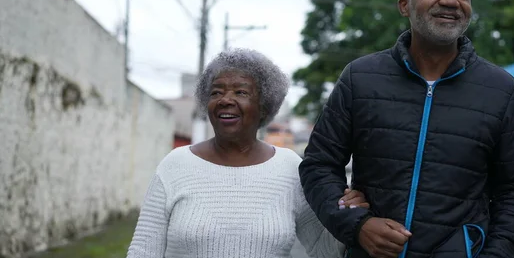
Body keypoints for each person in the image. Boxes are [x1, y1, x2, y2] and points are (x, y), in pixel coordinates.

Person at [299, 0, 514, 258]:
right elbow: (318, 165)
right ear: (404, 5)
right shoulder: (360, 78)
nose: (451, 1)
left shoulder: (502, 90)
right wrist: (356, 225)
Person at [126, 48, 369, 258]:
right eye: (216, 92)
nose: (225, 100)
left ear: (264, 105)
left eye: (241, 92)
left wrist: (348, 215)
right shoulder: (175, 165)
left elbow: (324, 249)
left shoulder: (290, 168)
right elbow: (143, 251)